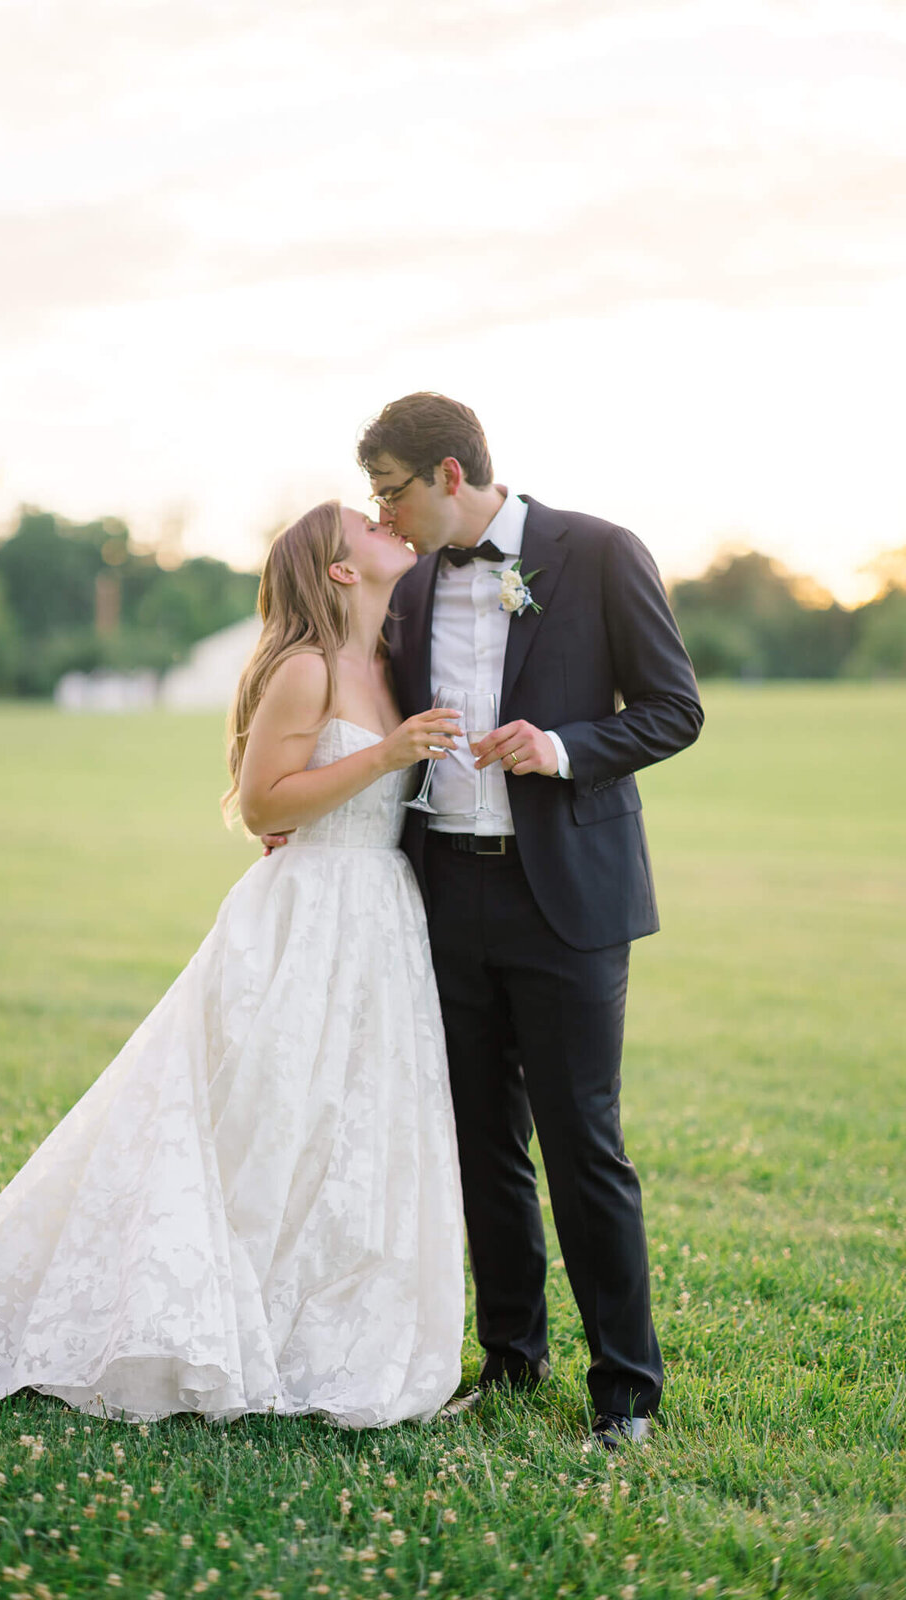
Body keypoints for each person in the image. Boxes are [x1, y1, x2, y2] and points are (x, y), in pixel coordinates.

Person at [0, 501, 467, 1427]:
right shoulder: (306, 667)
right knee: (263, 1113)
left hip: (380, 918)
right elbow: (259, 804)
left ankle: (321, 1327)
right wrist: (388, 755)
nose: (387, 525)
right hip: (304, 916)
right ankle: (203, 1315)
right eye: (366, 523)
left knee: (347, 1127)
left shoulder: (391, 662)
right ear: (337, 568)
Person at [267, 394, 703, 1448]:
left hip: (566, 897)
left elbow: (674, 708)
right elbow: (328, 672)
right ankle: (513, 1361)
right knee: (477, 1141)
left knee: (581, 1141)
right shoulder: (404, 581)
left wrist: (558, 747)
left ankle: (626, 1394)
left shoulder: (598, 553)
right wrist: (309, 796)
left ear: (450, 476)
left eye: (393, 492)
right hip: (438, 894)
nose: (387, 515)